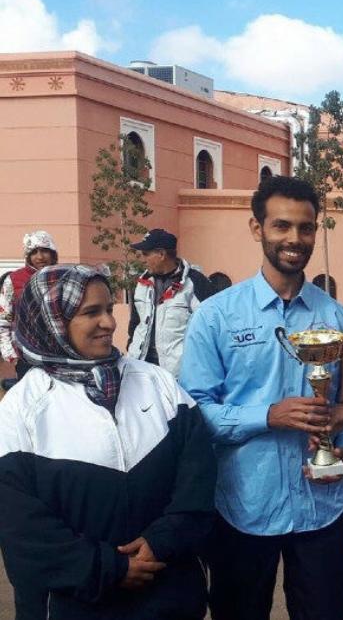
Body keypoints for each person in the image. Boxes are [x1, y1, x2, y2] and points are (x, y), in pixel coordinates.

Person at [179, 176, 343, 620]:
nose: (294, 239)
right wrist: (268, 415)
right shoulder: (217, 317)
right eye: (281, 225)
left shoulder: (337, 318)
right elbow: (196, 413)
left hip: (321, 507)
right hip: (243, 506)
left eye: (305, 227)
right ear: (257, 228)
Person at [0, 264, 216, 619]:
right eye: (91, 312)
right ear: (52, 322)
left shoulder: (158, 384)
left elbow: (198, 477)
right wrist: (107, 568)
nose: (109, 323)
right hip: (71, 605)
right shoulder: (21, 409)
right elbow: (20, 525)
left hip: (168, 593)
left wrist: (162, 541)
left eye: (109, 309)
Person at [127, 229, 214, 377]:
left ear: (161, 254)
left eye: (146, 254)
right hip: (141, 368)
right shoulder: (141, 283)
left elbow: (211, 326)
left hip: (178, 373)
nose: (142, 259)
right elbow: (135, 323)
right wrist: (131, 345)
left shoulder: (195, 282)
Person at [0, 230, 58, 386]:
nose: (40, 257)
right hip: (26, 354)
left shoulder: (62, 276)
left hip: (59, 353)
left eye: (45, 250)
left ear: (53, 253)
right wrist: (10, 354)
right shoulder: (13, 279)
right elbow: (3, 319)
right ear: (28, 256)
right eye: (34, 252)